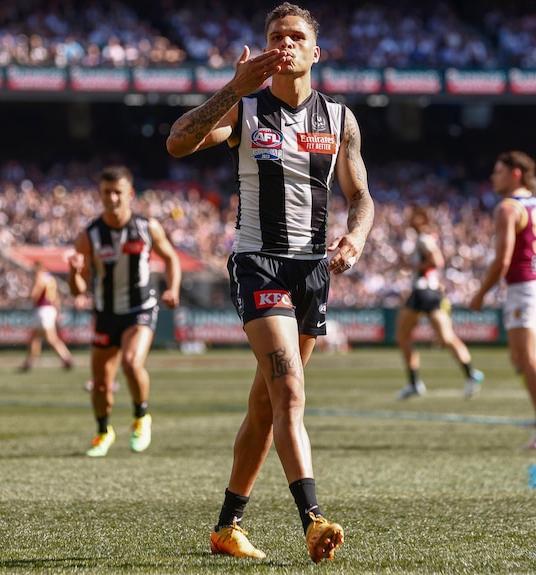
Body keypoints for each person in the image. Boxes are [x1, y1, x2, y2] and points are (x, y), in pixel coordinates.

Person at [166, 2, 374, 563]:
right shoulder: (246, 110)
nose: (285, 43)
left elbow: (361, 197)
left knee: (265, 405)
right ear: (265, 48)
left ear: (314, 52)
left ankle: (227, 528)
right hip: (259, 263)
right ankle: (312, 518)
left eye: (296, 36)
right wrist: (233, 87)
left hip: (313, 270)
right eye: (276, 35)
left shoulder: (340, 119)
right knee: (290, 392)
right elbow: (178, 142)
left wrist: (355, 239)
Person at [67, 165, 181, 458]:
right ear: (100, 194)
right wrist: (74, 273)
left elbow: (171, 258)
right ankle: (103, 432)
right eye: (107, 192)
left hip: (140, 308)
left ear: (129, 193)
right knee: (101, 385)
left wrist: (173, 289)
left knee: (131, 363)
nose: (112, 198)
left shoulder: (147, 226)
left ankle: (141, 417)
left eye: (118, 192)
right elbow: (78, 290)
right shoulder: (89, 235)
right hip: (105, 314)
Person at [469, 150, 536, 449]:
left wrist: (480, 294)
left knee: (527, 359)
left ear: (515, 174)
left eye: (498, 171)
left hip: (526, 288)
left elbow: (502, 259)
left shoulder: (508, 208)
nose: (492, 177)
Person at [394, 205, 484, 400]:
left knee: (402, 337)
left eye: (412, 216)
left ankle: (414, 383)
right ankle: (471, 374)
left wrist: (412, 266)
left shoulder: (423, 238)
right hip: (432, 292)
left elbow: (437, 261)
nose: (408, 218)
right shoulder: (427, 237)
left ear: (421, 219)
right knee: (446, 338)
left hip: (422, 291)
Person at [19, 260, 74, 372]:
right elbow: (56, 297)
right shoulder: (50, 278)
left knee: (51, 339)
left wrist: (29, 297)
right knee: (35, 337)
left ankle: (66, 358)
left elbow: (35, 294)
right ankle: (29, 362)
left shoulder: (40, 277)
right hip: (50, 309)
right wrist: (57, 311)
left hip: (43, 310)